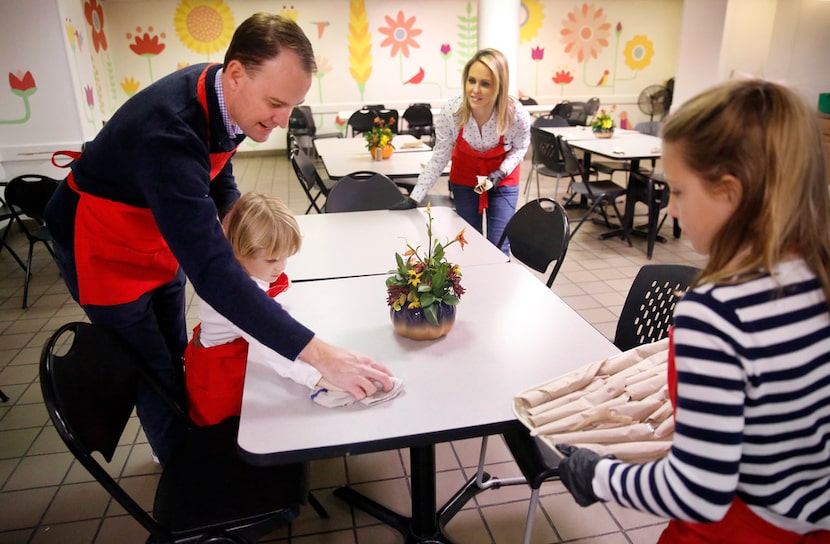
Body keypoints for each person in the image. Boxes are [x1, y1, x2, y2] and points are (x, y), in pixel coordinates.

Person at [44, 13, 393, 466]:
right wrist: (320, 355)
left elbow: (218, 171)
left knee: (174, 347)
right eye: (275, 103)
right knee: (149, 365)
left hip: (153, 229)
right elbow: (211, 274)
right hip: (98, 242)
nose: (284, 121)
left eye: (292, 106)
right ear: (236, 74)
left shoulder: (224, 100)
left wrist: (236, 217)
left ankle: (194, 437)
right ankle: (186, 471)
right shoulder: (168, 131)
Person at [555, 78, 830, 543]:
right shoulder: (815, 272)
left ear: (729, 191)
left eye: (678, 193)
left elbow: (698, 490)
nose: (673, 212)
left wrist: (599, 475)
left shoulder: (716, 312)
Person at [184, 192, 404, 425]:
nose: (280, 267)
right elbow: (276, 350)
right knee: (231, 435)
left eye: (285, 257)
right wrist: (322, 377)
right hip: (218, 378)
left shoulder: (243, 266)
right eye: (271, 261)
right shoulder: (233, 296)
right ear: (240, 252)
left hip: (239, 355)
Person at [391, 48, 531, 254]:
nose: (475, 90)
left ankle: (499, 284)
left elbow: (521, 147)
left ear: (500, 85)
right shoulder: (452, 112)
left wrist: (502, 171)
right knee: (467, 241)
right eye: (471, 80)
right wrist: (415, 197)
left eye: (485, 83)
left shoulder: (515, 114)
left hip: (502, 180)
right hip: (465, 179)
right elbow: (439, 156)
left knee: (499, 244)